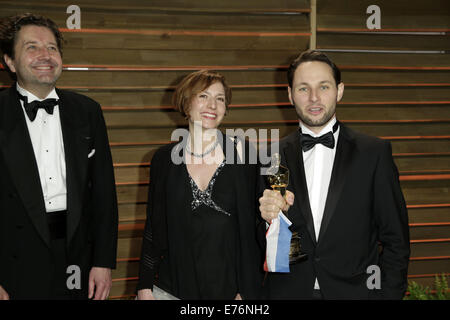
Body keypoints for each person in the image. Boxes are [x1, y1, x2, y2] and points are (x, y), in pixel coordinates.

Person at [258, 50, 410, 299]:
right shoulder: (270, 156)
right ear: (289, 94)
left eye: (324, 87)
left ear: (339, 90)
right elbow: (258, 243)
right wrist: (267, 219)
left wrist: (388, 295)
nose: (314, 98)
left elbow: (396, 239)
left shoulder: (374, 153)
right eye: (303, 89)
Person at [0, 13, 118, 300]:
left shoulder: (88, 110)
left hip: (78, 254)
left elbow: (103, 192)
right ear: (10, 62)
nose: (45, 55)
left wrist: (103, 261)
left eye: (52, 48)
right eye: (32, 47)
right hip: (13, 256)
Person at [136, 70, 262, 300]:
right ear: (186, 102)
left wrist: (247, 289)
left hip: (231, 291)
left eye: (220, 98)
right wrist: (144, 286)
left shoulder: (245, 154)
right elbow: (154, 227)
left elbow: (256, 228)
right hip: (172, 288)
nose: (212, 105)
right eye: (203, 96)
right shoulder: (163, 159)